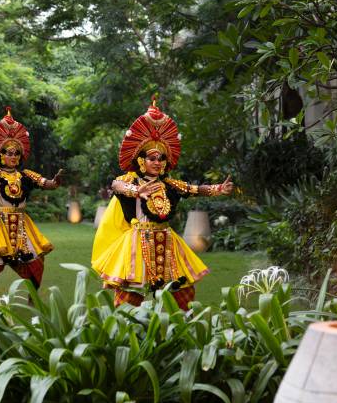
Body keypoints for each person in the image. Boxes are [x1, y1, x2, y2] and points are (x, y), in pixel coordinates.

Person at [91, 98, 233, 310]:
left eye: (161, 159)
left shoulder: (169, 183)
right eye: (152, 158)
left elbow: (192, 189)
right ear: (141, 161)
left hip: (167, 241)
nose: (158, 163)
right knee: (130, 295)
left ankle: (180, 330)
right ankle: (127, 336)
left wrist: (217, 189)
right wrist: (136, 191)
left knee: (183, 291)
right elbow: (116, 185)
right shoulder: (130, 180)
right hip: (137, 242)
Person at [0, 107, 63, 289]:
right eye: (9, 153)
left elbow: (47, 183)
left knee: (36, 263)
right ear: (1, 155)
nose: (13, 156)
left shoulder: (26, 175)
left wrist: (55, 181)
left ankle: (32, 300)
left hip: (21, 225)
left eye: (16, 153)